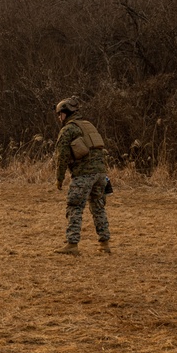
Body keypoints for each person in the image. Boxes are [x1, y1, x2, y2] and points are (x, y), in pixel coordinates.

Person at [53, 96, 111, 255]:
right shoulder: (88, 125)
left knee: (75, 206)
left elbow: (62, 156)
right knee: (98, 207)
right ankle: (104, 243)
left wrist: (59, 179)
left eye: (60, 114)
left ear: (65, 113)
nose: (59, 118)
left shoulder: (68, 129)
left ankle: (72, 244)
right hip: (101, 174)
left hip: (83, 174)